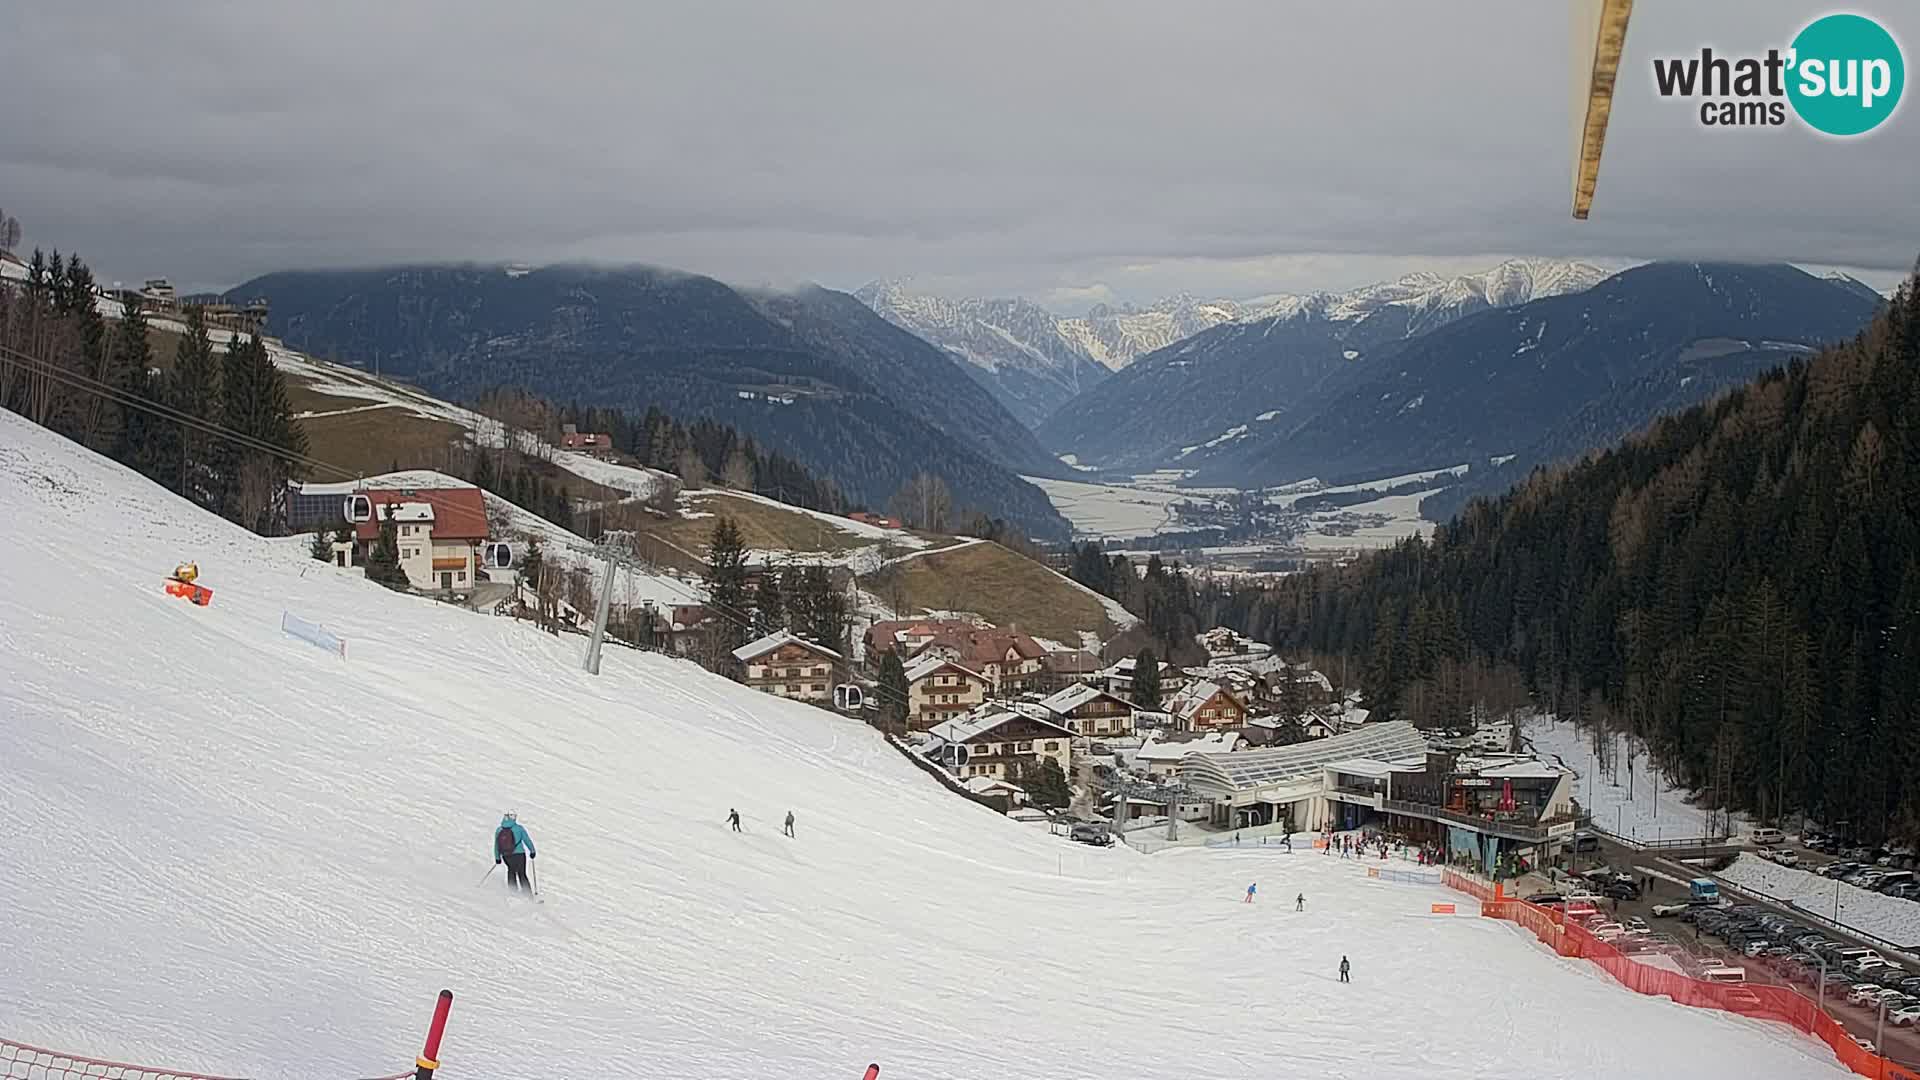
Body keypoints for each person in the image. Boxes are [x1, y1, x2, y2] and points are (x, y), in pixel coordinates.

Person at [492, 812, 536, 895]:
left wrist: (497, 857)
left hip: (506, 855)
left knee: (511, 872)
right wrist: (532, 851)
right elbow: (527, 840)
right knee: (522, 874)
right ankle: (528, 896)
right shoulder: (519, 828)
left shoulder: (499, 830)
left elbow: (496, 845)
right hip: (519, 855)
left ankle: (513, 893)